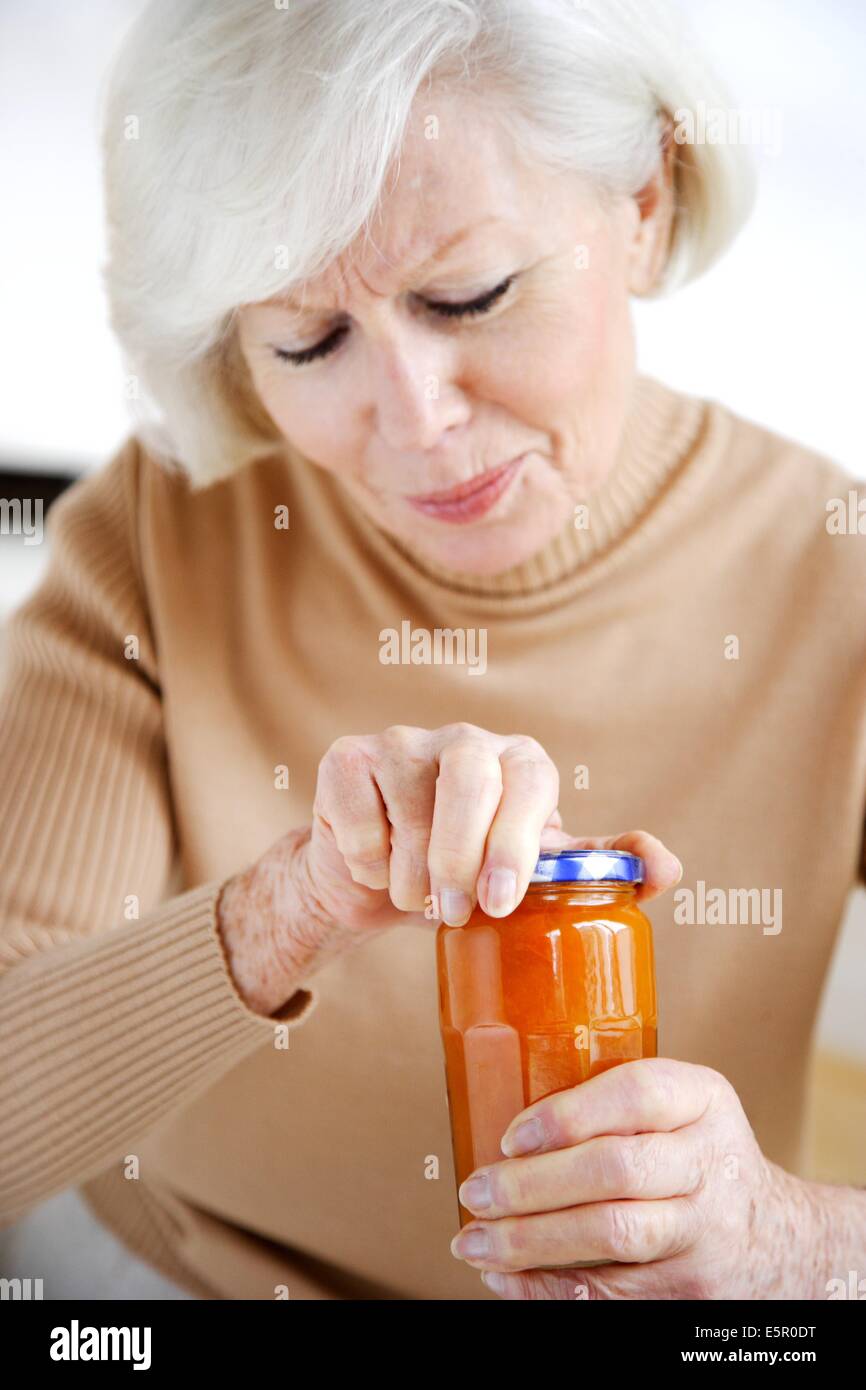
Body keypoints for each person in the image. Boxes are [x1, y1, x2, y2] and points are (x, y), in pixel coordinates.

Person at [1, 0, 864, 1300]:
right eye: (308, 340)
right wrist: (284, 911)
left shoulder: (835, 572)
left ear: (643, 199)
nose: (412, 423)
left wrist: (786, 1240)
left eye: (469, 295)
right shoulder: (153, 532)